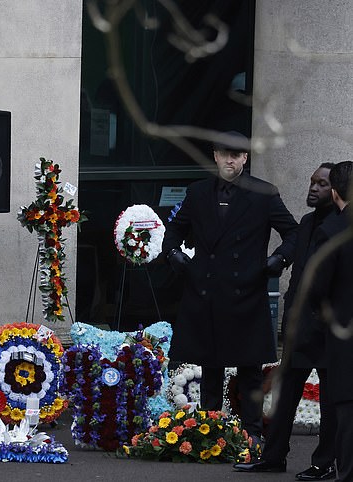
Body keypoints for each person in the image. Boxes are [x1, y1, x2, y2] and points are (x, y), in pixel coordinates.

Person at [162, 131, 298, 450]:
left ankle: (252, 431)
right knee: (210, 366)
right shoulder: (198, 193)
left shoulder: (263, 193)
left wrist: (278, 259)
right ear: (215, 156)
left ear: (245, 158)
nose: (230, 160)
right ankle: (210, 426)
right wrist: (173, 255)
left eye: (236, 155)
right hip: (205, 291)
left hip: (246, 292)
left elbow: (292, 232)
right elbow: (175, 230)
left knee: (249, 367)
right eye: (224, 154)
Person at [234, 163, 337, 479]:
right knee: (283, 397)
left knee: (330, 402)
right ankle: (273, 457)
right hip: (299, 329)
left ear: (335, 191)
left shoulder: (340, 225)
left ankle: (324, 464)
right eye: (311, 181)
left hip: (327, 330)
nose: (313, 188)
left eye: (321, 184)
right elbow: (299, 277)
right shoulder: (306, 223)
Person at [308, 161, 353, 482]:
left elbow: (317, 288)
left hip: (343, 333)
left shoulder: (331, 231)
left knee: (347, 411)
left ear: (335, 193)